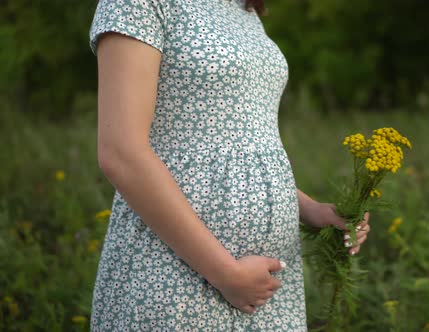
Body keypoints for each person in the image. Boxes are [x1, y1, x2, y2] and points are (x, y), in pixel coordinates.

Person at [88, 0, 371, 330]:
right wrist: (225, 273)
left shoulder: (241, 8)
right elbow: (121, 152)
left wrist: (310, 210)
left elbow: (236, 148)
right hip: (180, 275)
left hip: (266, 288)